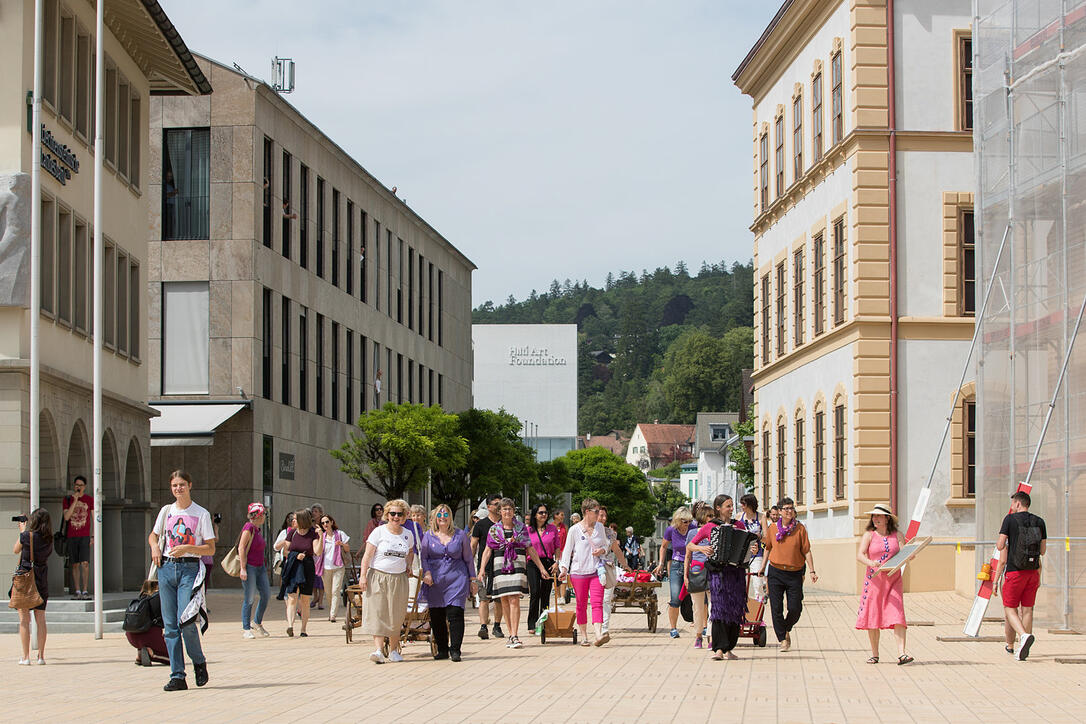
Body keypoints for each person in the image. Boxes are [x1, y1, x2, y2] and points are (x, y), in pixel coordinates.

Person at [148, 470, 216, 691]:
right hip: (166, 568)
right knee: (170, 627)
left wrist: (187, 548)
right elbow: (153, 535)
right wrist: (155, 547)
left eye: (182, 485)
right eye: (175, 485)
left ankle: (198, 661)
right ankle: (177, 675)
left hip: (189, 568)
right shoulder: (167, 511)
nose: (178, 489)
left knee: (185, 621)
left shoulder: (201, 514)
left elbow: (210, 548)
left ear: (190, 485)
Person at [478, 498, 551, 649]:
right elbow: (487, 550)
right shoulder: (494, 530)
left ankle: (515, 635)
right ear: (500, 511)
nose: (507, 512)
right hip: (500, 566)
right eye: (504, 509)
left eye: (510, 509)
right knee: (504, 600)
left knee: (514, 599)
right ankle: (510, 633)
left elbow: (530, 548)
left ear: (513, 512)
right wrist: (481, 569)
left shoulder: (521, 529)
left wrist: (541, 568)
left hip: (517, 564)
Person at [687, 494, 752, 660]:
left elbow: (748, 544)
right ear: (718, 508)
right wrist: (702, 549)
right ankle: (719, 648)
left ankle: (729, 647)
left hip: (736, 572)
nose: (731, 509)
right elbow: (691, 544)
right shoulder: (710, 526)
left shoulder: (740, 525)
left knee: (734, 609)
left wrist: (753, 548)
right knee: (719, 609)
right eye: (728, 506)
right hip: (718, 572)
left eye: (732, 506)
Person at [359, 499, 416, 663]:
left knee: (396, 614)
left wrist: (409, 564)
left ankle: (393, 650)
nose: (396, 517)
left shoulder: (408, 534)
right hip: (378, 576)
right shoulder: (379, 532)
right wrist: (363, 576)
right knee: (378, 611)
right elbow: (368, 555)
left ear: (405, 516)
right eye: (392, 513)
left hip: (399, 579)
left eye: (400, 514)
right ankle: (378, 650)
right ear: (387, 515)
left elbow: (410, 552)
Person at [993, 491, 1047, 661]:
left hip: (1015, 572)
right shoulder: (1040, 521)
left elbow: (1000, 546)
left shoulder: (1009, 519)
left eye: (1013, 504)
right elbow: (1043, 551)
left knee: (1010, 608)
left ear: (1017, 504)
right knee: (1028, 609)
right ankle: (1023, 647)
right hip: (1033, 572)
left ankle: (1023, 636)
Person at [855, 504, 912, 665]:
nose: (875, 519)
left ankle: (902, 653)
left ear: (887, 518)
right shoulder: (869, 535)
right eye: (874, 516)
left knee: (897, 614)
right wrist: (871, 563)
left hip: (893, 580)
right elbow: (860, 555)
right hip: (874, 581)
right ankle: (875, 653)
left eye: (879, 516)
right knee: (873, 615)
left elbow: (904, 553)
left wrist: (909, 556)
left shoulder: (897, 535)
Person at [420, 504, 477, 661]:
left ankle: (455, 650)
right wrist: (427, 573)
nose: (443, 518)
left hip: (456, 578)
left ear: (451, 518)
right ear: (435, 518)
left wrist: (473, 579)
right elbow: (423, 557)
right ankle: (443, 649)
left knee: (455, 614)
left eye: (446, 515)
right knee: (437, 616)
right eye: (440, 515)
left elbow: (468, 558)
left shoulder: (460, 535)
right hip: (435, 580)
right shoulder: (428, 536)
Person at [762, 497, 818, 652]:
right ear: (779, 511)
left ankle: (786, 628)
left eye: (791, 508)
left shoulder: (800, 529)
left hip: (794, 573)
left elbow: (806, 550)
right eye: (785, 508)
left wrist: (812, 570)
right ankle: (782, 639)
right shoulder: (773, 529)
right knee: (776, 607)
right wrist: (762, 567)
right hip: (776, 572)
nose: (789, 511)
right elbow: (768, 547)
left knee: (795, 608)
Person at [558, 498, 611, 646]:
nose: (599, 514)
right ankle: (584, 635)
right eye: (596, 511)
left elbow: (606, 546)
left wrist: (602, 550)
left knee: (597, 603)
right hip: (578, 572)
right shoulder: (574, 530)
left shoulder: (600, 527)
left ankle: (599, 634)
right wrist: (564, 569)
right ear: (587, 512)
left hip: (596, 571)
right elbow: (567, 551)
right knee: (581, 604)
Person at [12, 508, 51, 665]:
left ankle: (26, 656)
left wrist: (22, 530)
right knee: (40, 618)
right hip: (41, 578)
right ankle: (41, 656)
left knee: (24, 619)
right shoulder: (49, 539)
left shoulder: (26, 536)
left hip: (26, 578)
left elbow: (16, 550)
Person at [275, 508, 323, 638]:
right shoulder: (291, 533)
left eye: (295, 519)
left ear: (302, 520)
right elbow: (286, 552)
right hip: (294, 567)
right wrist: (296, 556)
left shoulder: (313, 534)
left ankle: (303, 629)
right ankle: (290, 626)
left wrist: (321, 536)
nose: (292, 521)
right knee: (292, 597)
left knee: (305, 599)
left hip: (307, 567)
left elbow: (317, 551)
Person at [654, 506, 693, 638]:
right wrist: (661, 564)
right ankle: (673, 629)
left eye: (688, 521)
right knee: (675, 598)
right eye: (684, 521)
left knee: (698, 597)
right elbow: (663, 547)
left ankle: (702, 627)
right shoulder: (671, 530)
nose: (686, 524)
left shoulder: (693, 529)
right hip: (677, 565)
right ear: (677, 520)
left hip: (692, 565)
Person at [470, 495, 504, 639]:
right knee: (483, 598)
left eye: (500, 504)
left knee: (498, 598)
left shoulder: (506, 523)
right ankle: (483, 626)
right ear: (488, 507)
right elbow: (473, 545)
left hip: (502, 566)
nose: (498, 506)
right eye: (495, 504)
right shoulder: (480, 525)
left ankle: (497, 625)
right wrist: (469, 566)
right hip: (484, 567)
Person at [524, 503, 560, 634]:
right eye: (540, 512)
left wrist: (557, 562)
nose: (544, 515)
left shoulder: (552, 529)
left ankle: (543, 621)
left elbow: (557, 547)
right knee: (535, 592)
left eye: (545, 512)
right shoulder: (528, 530)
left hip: (548, 562)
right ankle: (532, 623)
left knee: (545, 593)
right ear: (535, 515)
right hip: (533, 563)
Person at [238, 503, 270, 639]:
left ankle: (257, 621)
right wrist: (243, 568)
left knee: (266, 595)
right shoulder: (249, 528)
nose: (264, 517)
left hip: (260, 567)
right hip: (250, 567)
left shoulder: (257, 530)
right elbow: (241, 548)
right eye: (263, 514)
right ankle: (246, 628)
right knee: (249, 598)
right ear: (258, 515)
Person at [596, 506, 629, 636]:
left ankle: (604, 628)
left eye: (605, 516)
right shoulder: (587, 531)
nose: (604, 518)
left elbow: (617, 550)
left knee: (606, 599)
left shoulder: (610, 533)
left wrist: (625, 565)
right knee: (596, 600)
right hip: (592, 569)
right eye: (601, 515)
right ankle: (597, 626)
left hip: (608, 567)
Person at [684, 503, 713, 649]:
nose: (712, 519)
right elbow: (687, 556)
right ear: (703, 518)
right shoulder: (692, 533)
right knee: (697, 606)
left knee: (713, 605)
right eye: (709, 516)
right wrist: (685, 576)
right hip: (696, 570)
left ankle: (711, 636)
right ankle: (698, 635)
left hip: (713, 570)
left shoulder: (715, 532)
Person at [62, 474, 93, 599]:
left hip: (84, 535)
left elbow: (93, 517)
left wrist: (93, 535)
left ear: (84, 487)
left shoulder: (89, 500)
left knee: (85, 563)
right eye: (76, 485)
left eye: (80, 485)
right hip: (72, 535)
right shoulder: (68, 500)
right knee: (74, 563)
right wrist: (75, 501)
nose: (78, 487)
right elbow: (66, 517)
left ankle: (85, 589)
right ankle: (77, 590)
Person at [317, 513, 351, 623]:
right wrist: (320, 536)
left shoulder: (340, 534)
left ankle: (332, 615)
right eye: (323, 523)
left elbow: (347, 549)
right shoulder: (322, 537)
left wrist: (342, 544)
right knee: (328, 592)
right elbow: (317, 552)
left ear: (332, 522)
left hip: (338, 566)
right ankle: (332, 609)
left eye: (327, 521)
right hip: (325, 567)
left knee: (335, 590)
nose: (325, 524)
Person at [737, 494, 767, 601]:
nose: (742, 506)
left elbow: (766, 538)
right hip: (741, 553)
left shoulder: (761, 517)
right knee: (740, 581)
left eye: (743, 504)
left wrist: (759, 536)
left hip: (756, 552)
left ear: (750, 504)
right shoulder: (739, 516)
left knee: (757, 581)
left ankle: (759, 605)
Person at [309, 504, 326, 610]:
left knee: (321, 578)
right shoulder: (310, 525)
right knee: (314, 577)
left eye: (316, 511)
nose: (314, 513)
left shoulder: (324, 524)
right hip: (312, 553)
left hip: (323, 553)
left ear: (320, 512)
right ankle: (315, 597)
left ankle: (320, 600)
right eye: (313, 511)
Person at [273, 512, 295, 581]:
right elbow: (275, 547)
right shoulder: (284, 532)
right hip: (286, 561)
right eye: (290, 519)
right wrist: (285, 541)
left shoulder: (301, 532)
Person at [554, 509, 569, 601]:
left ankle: (563, 597)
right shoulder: (550, 527)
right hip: (553, 553)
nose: (563, 517)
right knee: (555, 575)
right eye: (561, 515)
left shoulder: (565, 527)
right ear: (556, 516)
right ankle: (558, 596)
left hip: (563, 553)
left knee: (563, 574)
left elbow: (567, 540)